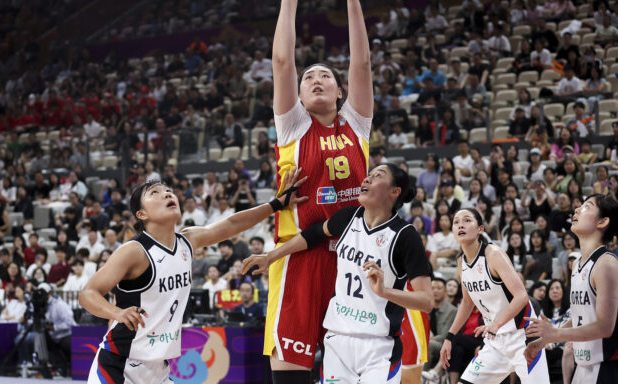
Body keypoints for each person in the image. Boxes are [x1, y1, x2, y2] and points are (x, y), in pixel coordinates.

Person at [79, 169, 307, 384]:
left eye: (167, 190)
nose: (167, 193)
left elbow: (232, 224)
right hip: (120, 365)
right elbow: (88, 294)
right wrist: (117, 312)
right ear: (142, 214)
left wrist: (276, 204)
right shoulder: (134, 251)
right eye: (155, 193)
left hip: (159, 368)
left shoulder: (187, 240)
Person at [264, 0, 376, 382]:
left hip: (352, 255)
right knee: (292, 373)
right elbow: (281, 62)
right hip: (300, 254)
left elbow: (362, 62)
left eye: (325, 75)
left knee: (350, 372)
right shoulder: (292, 125)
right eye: (308, 76)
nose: (314, 79)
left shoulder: (357, 124)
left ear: (339, 89)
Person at [243, 164, 432, 383]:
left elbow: (426, 301)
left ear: (394, 191)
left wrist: (384, 291)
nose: (367, 180)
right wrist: (271, 256)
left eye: (377, 176)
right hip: (337, 342)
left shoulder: (405, 236)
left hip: (379, 346)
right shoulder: (348, 218)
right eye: (368, 175)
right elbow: (311, 235)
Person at [439, 208, 550, 383]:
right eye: (456, 222)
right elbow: (467, 303)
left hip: (523, 336)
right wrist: (449, 337)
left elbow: (522, 296)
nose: (461, 224)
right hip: (495, 341)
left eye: (467, 220)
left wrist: (495, 324)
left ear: (480, 229)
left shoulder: (493, 254)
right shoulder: (461, 262)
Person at [524, 194, 618, 384]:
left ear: (602, 221)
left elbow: (605, 327)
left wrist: (556, 334)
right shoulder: (577, 265)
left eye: (586, 207)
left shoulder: (606, 263)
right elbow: (580, 315)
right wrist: (545, 340)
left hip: (607, 367)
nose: (576, 209)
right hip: (582, 365)